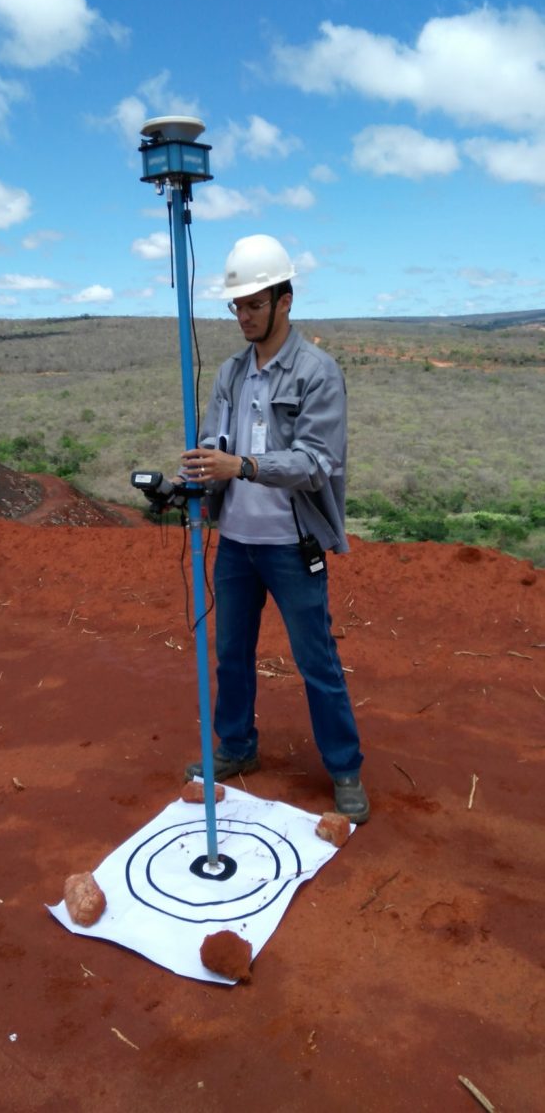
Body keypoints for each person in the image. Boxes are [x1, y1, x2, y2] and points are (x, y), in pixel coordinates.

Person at [180, 234, 369, 824]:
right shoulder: (232, 374)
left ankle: (344, 771)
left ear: (285, 300)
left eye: (253, 305)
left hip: (292, 545)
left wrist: (246, 466)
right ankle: (236, 747)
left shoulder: (317, 372)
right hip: (235, 543)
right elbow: (218, 439)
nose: (243, 317)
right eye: (236, 306)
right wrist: (202, 466)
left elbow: (317, 462)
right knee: (231, 653)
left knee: (317, 659)